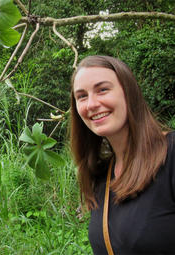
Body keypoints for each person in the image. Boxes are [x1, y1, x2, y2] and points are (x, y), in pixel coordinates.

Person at [69, 55, 175, 254]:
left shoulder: (171, 154)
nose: (91, 104)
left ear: (129, 93)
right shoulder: (101, 176)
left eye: (103, 89)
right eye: (82, 96)